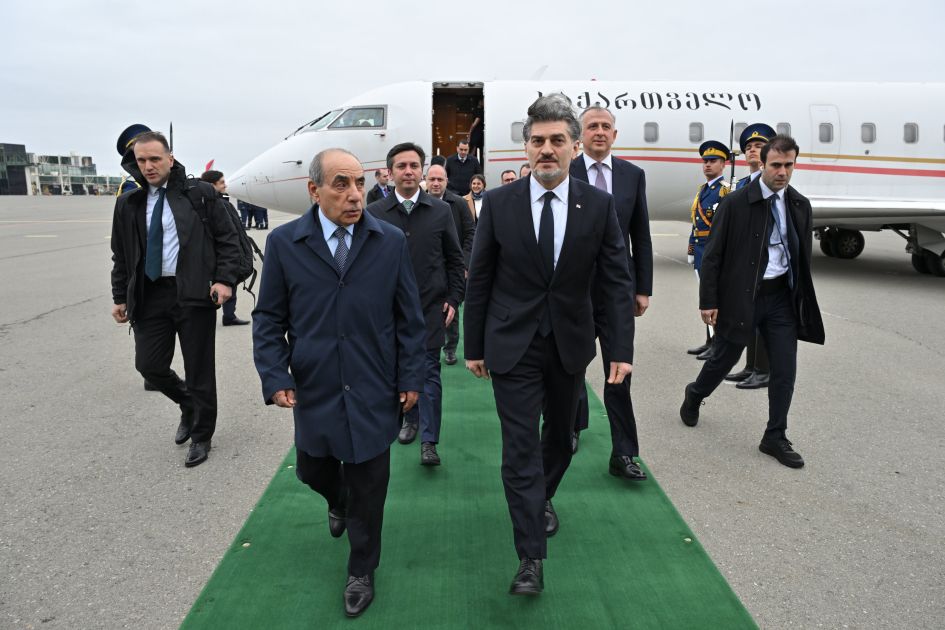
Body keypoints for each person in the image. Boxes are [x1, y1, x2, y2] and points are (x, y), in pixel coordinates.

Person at [464, 94, 634, 595]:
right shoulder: (500, 204)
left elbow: (615, 283)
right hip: (512, 344)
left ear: (574, 147)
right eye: (537, 140)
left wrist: (620, 350)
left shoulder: (598, 206)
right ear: (526, 147)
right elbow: (481, 277)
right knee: (519, 448)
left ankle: (540, 495)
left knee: (561, 439)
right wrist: (474, 345)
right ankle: (530, 557)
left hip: (569, 344)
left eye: (557, 140)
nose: (546, 149)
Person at [252, 148, 425, 617]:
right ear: (314, 190)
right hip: (316, 383)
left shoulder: (388, 241)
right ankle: (338, 500)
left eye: (359, 184)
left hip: (374, 382)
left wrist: (411, 375)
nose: (354, 195)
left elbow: (410, 319)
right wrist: (275, 373)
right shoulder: (286, 243)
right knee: (312, 469)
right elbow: (268, 318)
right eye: (341, 184)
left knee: (371, 483)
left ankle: (361, 568)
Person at [680, 135, 825, 469]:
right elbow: (713, 255)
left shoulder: (799, 205)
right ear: (763, 163)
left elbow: (801, 258)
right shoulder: (735, 203)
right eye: (776, 165)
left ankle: (775, 435)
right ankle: (696, 393)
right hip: (743, 297)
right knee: (723, 358)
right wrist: (709, 300)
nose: (782, 172)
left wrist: (800, 299)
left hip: (781, 300)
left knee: (784, 369)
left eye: (789, 165)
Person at [110, 131, 241, 468]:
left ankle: (201, 435)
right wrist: (119, 296)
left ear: (170, 158)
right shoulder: (129, 203)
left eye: (155, 159)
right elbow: (121, 255)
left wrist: (225, 279)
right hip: (150, 294)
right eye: (142, 160)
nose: (149, 166)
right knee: (149, 365)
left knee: (200, 369)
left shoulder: (200, 194)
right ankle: (188, 403)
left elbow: (227, 239)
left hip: (194, 293)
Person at [367, 143, 466, 466]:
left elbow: (454, 259)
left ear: (421, 170)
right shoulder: (375, 214)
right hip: (388, 313)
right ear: (390, 172)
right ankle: (409, 420)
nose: (408, 171)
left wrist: (454, 298)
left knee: (429, 374)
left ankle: (429, 440)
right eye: (401, 166)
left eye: (413, 165)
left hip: (430, 309)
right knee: (396, 371)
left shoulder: (440, 211)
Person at [569, 105, 653, 479]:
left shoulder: (632, 176)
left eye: (606, 126)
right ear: (581, 135)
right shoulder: (566, 172)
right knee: (571, 366)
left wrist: (643, 288)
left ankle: (624, 453)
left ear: (615, 135)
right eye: (592, 126)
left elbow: (641, 235)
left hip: (618, 291)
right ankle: (571, 425)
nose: (599, 132)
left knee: (619, 370)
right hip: (575, 290)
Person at [726, 123, 777, 390]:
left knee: (763, 320)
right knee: (749, 317)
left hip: (765, 264)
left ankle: (763, 370)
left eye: (759, 146)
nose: (752, 150)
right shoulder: (745, 183)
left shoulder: (772, 184)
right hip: (747, 263)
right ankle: (750, 366)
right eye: (748, 147)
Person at [425, 164, 476, 366]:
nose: (436, 183)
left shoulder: (459, 203)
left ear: (447, 181)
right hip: (428, 268)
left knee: (451, 310)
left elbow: (470, 233)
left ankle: (450, 348)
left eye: (440, 179)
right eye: (432, 179)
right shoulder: (418, 204)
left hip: (453, 267)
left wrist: (464, 264)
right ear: (426, 181)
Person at [687, 140, 731, 360]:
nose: (707, 165)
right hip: (701, 251)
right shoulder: (702, 190)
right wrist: (691, 248)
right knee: (706, 297)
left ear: (723, 164)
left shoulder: (725, 191)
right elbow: (696, 222)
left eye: (713, 161)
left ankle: (718, 344)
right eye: (705, 161)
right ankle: (710, 341)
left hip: (715, 251)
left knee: (715, 299)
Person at [200, 170, 250, 326]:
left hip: (222, 254)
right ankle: (227, 316)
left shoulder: (221, 201)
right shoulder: (218, 204)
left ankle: (229, 315)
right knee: (227, 283)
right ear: (212, 185)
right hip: (219, 255)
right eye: (221, 182)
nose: (225, 185)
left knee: (230, 284)